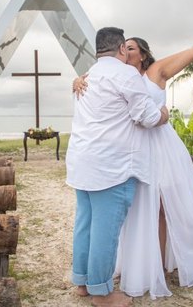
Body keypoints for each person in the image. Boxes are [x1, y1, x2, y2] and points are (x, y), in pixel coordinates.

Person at [74, 23, 193, 299]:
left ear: (142, 54)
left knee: (161, 207)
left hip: (160, 149)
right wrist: (76, 81)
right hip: (131, 151)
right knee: (130, 213)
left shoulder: (156, 72)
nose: (126, 51)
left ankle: (160, 267)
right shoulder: (112, 74)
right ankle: (129, 266)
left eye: (132, 47)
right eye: (124, 46)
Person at [66, 27, 169, 307]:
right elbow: (145, 116)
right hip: (111, 165)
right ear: (122, 48)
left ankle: (82, 282)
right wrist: (163, 115)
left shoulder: (89, 74)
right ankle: (101, 294)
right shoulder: (126, 74)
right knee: (105, 229)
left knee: (84, 223)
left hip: (82, 161)